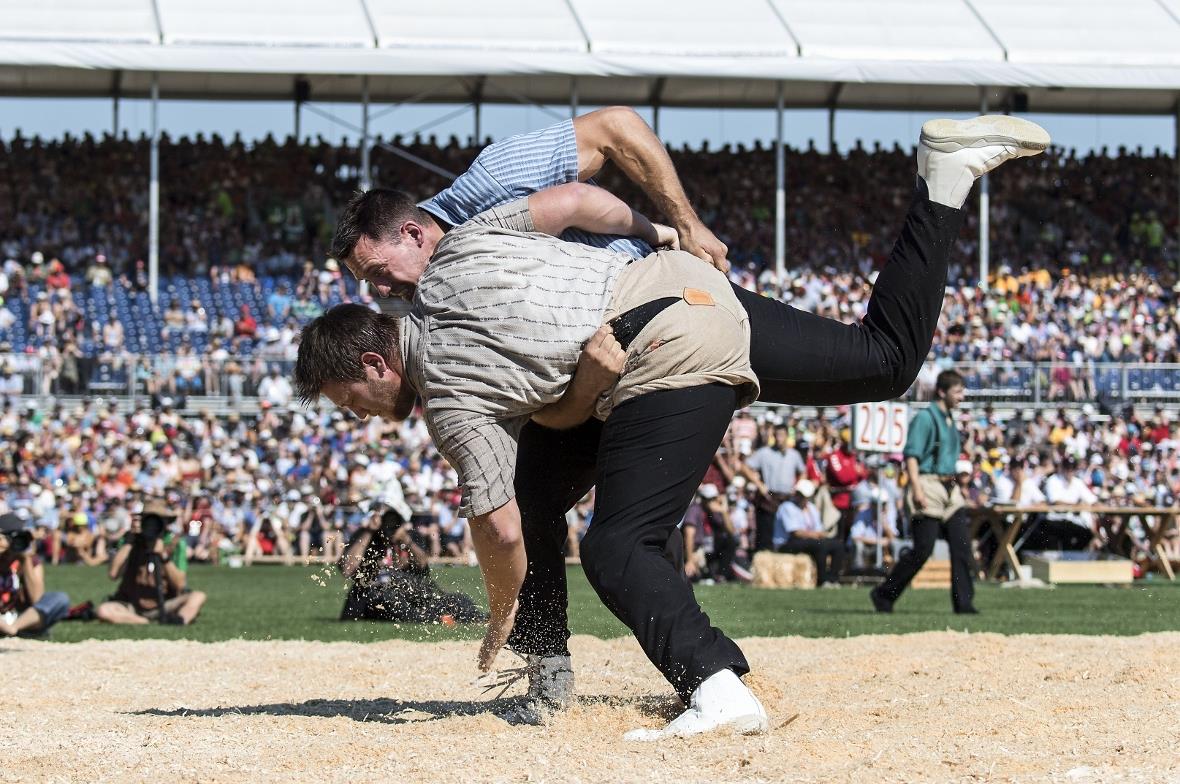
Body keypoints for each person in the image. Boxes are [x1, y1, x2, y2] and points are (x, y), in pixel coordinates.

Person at [314, 114, 1047, 732]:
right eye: (367, 288)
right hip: (642, 335)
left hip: (660, 338)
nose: (382, 296)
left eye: (380, 276)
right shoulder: (439, 287)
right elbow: (572, 207)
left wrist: (678, 227)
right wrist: (604, 355)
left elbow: (613, 131)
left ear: (414, 232)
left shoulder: (479, 198)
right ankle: (944, 183)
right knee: (537, 484)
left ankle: (705, 684)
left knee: (614, 540)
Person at [871, 370, 978, 614]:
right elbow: (912, 456)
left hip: (950, 489)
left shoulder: (950, 419)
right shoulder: (926, 418)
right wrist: (916, 488)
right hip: (928, 484)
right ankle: (884, 593)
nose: (962, 396)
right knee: (923, 549)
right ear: (942, 391)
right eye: (958, 391)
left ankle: (964, 604)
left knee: (961, 546)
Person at [338, 501, 486, 625]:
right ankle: (438, 618)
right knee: (392, 600)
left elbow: (422, 563)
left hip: (411, 589)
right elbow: (347, 569)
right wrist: (369, 532)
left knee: (457, 600)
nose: (389, 525)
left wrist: (406, 539)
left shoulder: (410, 537)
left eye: (394, 520)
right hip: (376, 592)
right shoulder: (365, 537)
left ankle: (481, 618)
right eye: (386, 520)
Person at [95, 500, 206, 626]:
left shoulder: (175, 543)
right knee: (104, 610)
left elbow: (180, 584)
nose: (152, 526)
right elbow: (113, 574)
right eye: (148, 520)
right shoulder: (130, 540)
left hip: (165, 602)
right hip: (132, 603)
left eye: (157, 521)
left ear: (165, 522)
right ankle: (142, 621)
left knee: (198, 596)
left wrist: (163, 555)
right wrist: (130, 540)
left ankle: (179, 620)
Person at [0, 512, 71, 637]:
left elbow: (37, 600)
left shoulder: (28, 561)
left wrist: (26, 559)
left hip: (17, 619)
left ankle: (11, 629)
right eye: (8, 537)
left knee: (60, 599)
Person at [741, 424, 808, 553]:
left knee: (787, 535)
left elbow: (803, 471)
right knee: (766, 535)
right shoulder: (764, 452)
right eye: (776, 435)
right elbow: (744, 467)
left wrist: (798, 485)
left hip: (787, 499)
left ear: (787, 436)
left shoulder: (793, 455)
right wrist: (759, 484)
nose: (779, 439)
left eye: (781, 435)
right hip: (769, 498)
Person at [771, 479, 845, 587]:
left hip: (807, 540)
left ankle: (833, 579)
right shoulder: (787, 507)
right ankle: (822, 580)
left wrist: (819, 535)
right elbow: (795, 532)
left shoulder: (811, 508)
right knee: (820, 546)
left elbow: (818, 528)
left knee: (838, 545)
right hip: (787, 543)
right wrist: (817, 535)